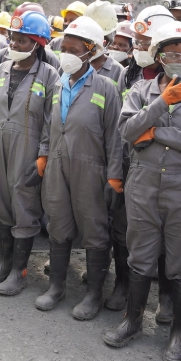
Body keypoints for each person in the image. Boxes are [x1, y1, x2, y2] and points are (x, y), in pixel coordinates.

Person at [104, 21, 181, 361]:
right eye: (173, 54)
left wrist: (156, 132)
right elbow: (127, 130)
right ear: (159, 57)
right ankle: (132, 320)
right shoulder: (141, 90)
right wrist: (161, 104)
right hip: (144, 183)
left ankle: (177, 334)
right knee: (140, 255)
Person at [32, 16, 123, 316]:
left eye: (74, 49)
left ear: (90, 51)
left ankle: (93, 294)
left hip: (91, 167)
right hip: (58, 164)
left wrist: (114, 176)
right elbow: (50, 123)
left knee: (95, 227)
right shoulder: (59, 84)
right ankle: (57, 287)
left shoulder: (106, 88)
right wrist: (44, 152)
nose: (66, 55)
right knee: (57, 221)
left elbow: (115, 136)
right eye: (64, 48)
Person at [0, 11, 59, 295]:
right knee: (0, 197)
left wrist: (44, 155)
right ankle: (4, 262)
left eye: (22, 41)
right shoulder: (0, 70)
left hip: (28, 148)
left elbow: (51, 120)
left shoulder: (49, 76)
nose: (15, 44)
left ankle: (18, 272)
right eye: (13, 38)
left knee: (23, 204)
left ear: (38, 43)